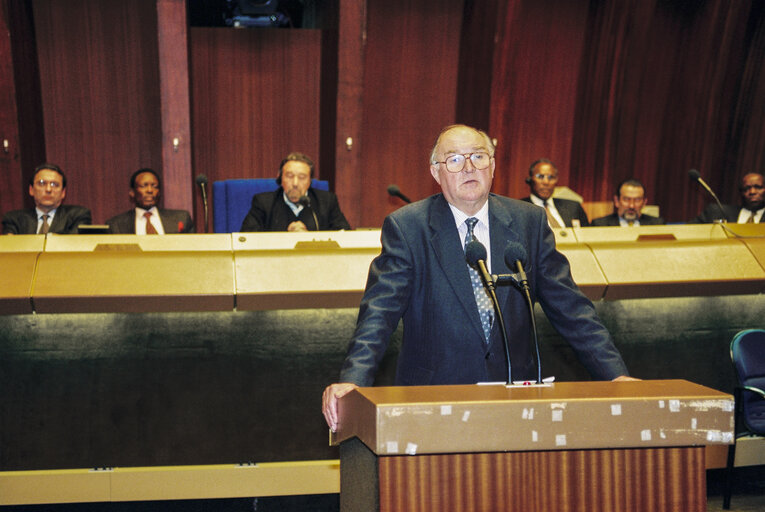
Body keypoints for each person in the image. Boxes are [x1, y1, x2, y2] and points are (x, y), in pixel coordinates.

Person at [322, 124, 634, 431]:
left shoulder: (529, 223)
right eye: (455, 159)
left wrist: (615, 375)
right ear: (436, 172)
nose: (469, 167)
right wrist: (353, 380)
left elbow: (571, 309)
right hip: (433, 401)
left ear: (493, 165)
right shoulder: (408, 227)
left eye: (479, 156)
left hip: (515, 403)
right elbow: (379, 314)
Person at [240, 152, 350, 232]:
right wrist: (286, 236)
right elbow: (247, 237)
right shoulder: (264, 203)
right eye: (289, 176)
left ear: (310, 181)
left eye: (302, 177)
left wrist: (309, 239)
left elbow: (344, 234)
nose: (295, 183)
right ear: (280, 178)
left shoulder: (326, 202)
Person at [2, 163, 91, 234]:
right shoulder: (14, 219)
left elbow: (73, 243)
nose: (48, 189)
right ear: (31, 190)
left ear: (63, 192)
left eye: (54, 184)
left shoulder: (78, 216)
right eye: (42, 183)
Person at [106, 168, 195, 234]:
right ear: (132, 192)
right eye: (144, 186)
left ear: (159, 192)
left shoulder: (181, 218)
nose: (150, 190)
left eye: (154, 186)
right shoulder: (116, 225)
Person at [520, 159, 589, 227]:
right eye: (540, 177)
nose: (546, 182)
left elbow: (588, 235)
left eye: (551, 177)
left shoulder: (574, 207)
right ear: (529, 180)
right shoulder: (520, 209)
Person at [690, 172, 764, 224]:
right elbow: (686, 231)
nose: (752, 192)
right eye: (746, 189)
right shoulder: (716, 212)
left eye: (758, 187)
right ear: (741, 193)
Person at [591, 178, 664, 226]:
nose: (631, 206)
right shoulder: (600, 225)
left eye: (637, 200)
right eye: (626, 200)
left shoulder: (657, 224)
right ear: (617, 201)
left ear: (644, 203)